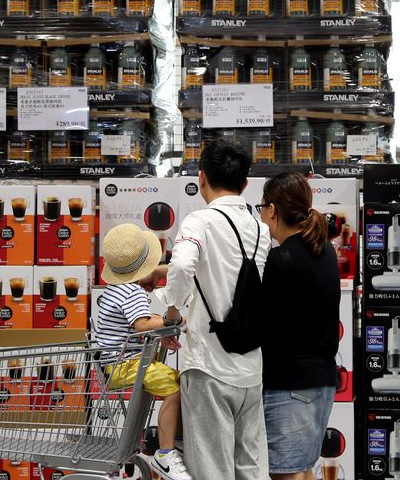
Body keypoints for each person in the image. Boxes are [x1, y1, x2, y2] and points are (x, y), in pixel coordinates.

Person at [163, 139, 272, 480]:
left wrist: (171, 314)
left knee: (212, 467)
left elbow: (182, 266)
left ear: (201, 177)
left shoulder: (199, 222)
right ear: (245, 183)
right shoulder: (261, 228)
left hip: (208, 364)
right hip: (250, 367)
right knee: (250, 467)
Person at [257, 172, 340, 480]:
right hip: (321, 381)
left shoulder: (281, 259)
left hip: (289, 383)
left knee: (286, 474)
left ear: (272, 210)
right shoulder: (326, 251)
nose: (261, 215)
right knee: (303, 470)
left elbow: (262, 321)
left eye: (261, 207)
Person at [95, 223, 191, 480]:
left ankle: (176, 443)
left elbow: (138, 324)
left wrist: (163, 329)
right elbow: (142, 325)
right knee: (176, 388)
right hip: (125, 364)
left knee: (179, 382)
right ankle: (166, 453)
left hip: (117, 364)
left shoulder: (116, 288)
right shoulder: (132, 291)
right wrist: (173, 321)